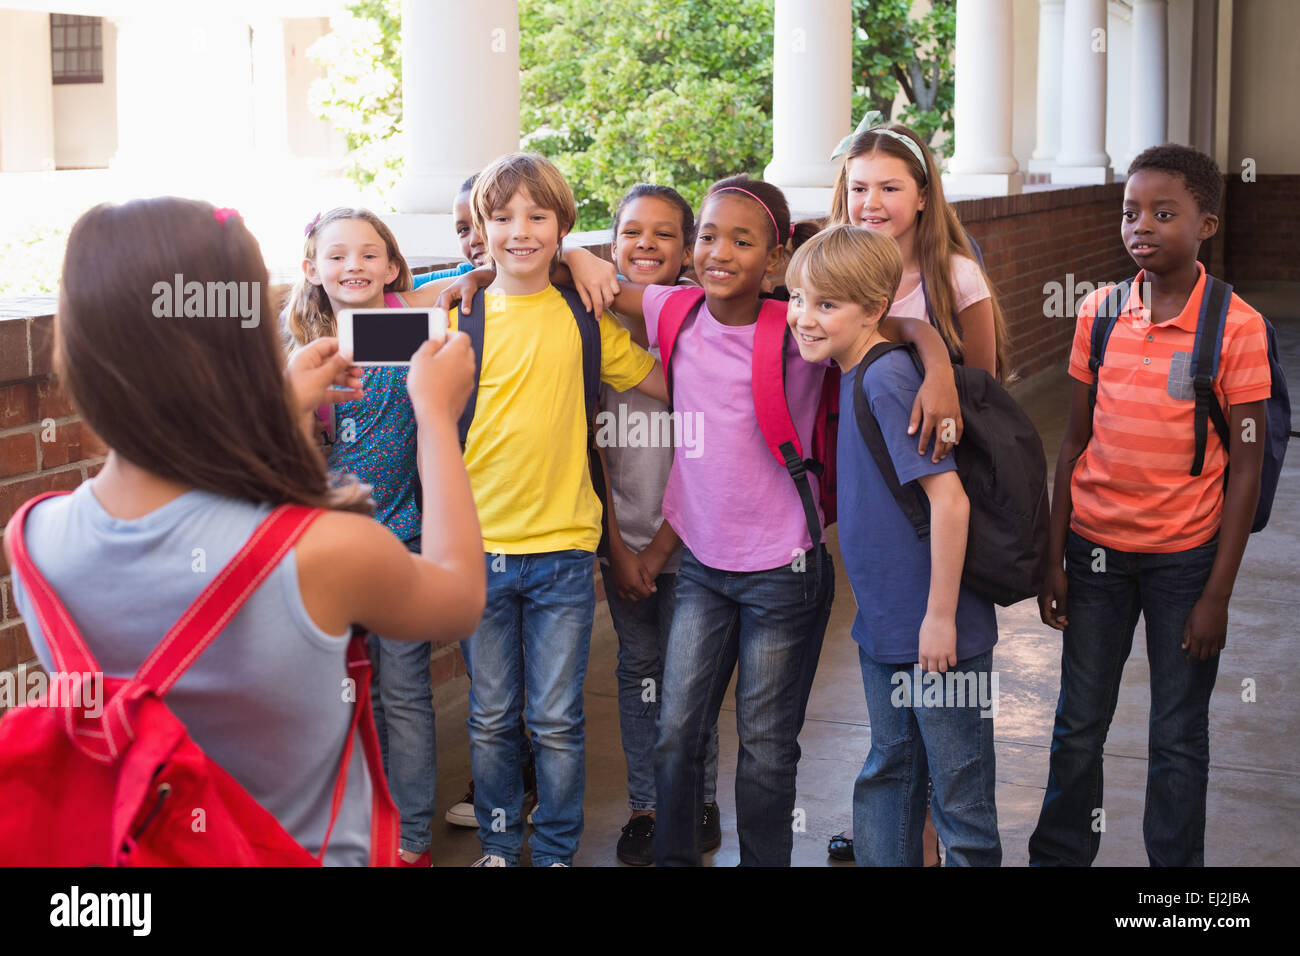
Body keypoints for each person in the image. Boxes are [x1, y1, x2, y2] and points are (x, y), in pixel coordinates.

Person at [6, 196, 485, 865]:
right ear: (246, 341)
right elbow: (459, 596)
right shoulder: (321, 548)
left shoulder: (33, 542)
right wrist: (435, 415)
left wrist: (283, 407)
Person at [600, 175, 964, 866]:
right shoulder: (673, 311)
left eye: (742, 240)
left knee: (765, 747)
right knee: (678, 730)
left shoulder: (796, 326)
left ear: (774, 259)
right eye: (707, 235)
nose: (718, 251)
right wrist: (471, 281)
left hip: (784, 573)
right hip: (703, 570)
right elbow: (587, 277)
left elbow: (890, 320)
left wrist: (938, 362)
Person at [414, 152, 668, 867]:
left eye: (537, 217)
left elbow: (670, 382)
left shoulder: (584, 316)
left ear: (563, 227)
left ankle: (554, 849)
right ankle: (499, 844)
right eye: (501, 218)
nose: (519, 231)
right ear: (479, 227)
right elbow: (361, 320)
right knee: (492, 719)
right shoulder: (454, 311)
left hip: (562, 555)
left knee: (555, 719)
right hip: (476, 555)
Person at [1030, 144, 1271, 867]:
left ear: (1206, 224)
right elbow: (1072, 445)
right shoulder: (1101, 313)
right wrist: (1055, 558)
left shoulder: (1237, 326)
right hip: (1095, 555)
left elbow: (1248, 469)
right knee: (1078, 724)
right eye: (1131, 211)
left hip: (1185, 564)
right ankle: (1060, 856)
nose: (1142, 226)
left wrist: (1217, 595)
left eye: (1164, 213)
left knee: (1176, 731)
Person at [825, 117, 1012, 863]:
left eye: (891, 187)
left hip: (936, 505)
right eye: (859, 186)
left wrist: (932, 351)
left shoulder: (954, 276)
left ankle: (933, 836)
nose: (872, 201)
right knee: (895, 751)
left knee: (951, 757)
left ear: (925, 196)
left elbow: (987, 399)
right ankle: (908, 840)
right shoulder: (831, 262)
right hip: (874, 520)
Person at [788, 224, 1002, 866]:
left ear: (874, 310)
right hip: (885, 625)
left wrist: (939, 620)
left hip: (938, 632)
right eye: (797, 297)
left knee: (959, 797)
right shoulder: (854, 368)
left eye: (826, 305)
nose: (803, 317)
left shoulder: (886, 382)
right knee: (890, 771)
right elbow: (908, 325)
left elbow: (950, 500)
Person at [597, 183, 722, 865]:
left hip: (695, 542)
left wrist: (660, 546)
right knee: (638, 671)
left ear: (689, 251)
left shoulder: (702, 328)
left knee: (691, 681)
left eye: (664, 234)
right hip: (622, 544)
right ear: (610, 244)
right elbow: (591, 453)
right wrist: (619, 549)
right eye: (630, 232)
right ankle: (647, 806)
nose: (645, 244)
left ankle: (697, 800)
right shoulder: (592, 325)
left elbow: (708, 456)